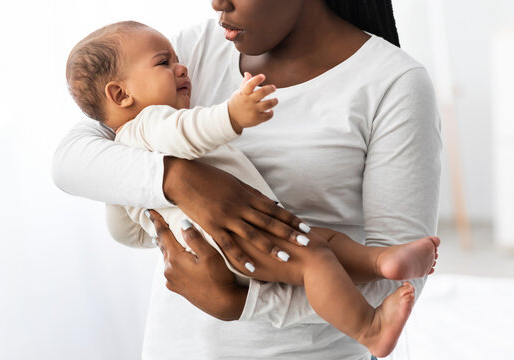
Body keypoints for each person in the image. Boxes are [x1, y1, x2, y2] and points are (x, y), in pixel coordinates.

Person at [53, 1, 442, 359]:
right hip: (176, 347)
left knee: (324, 248)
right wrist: (177, 179)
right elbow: (71, 161)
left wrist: (239, 303)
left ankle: (376, 265)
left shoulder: (393, 83)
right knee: (316, 253)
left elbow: (398, 291)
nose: (218, 3)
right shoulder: (193, 50)